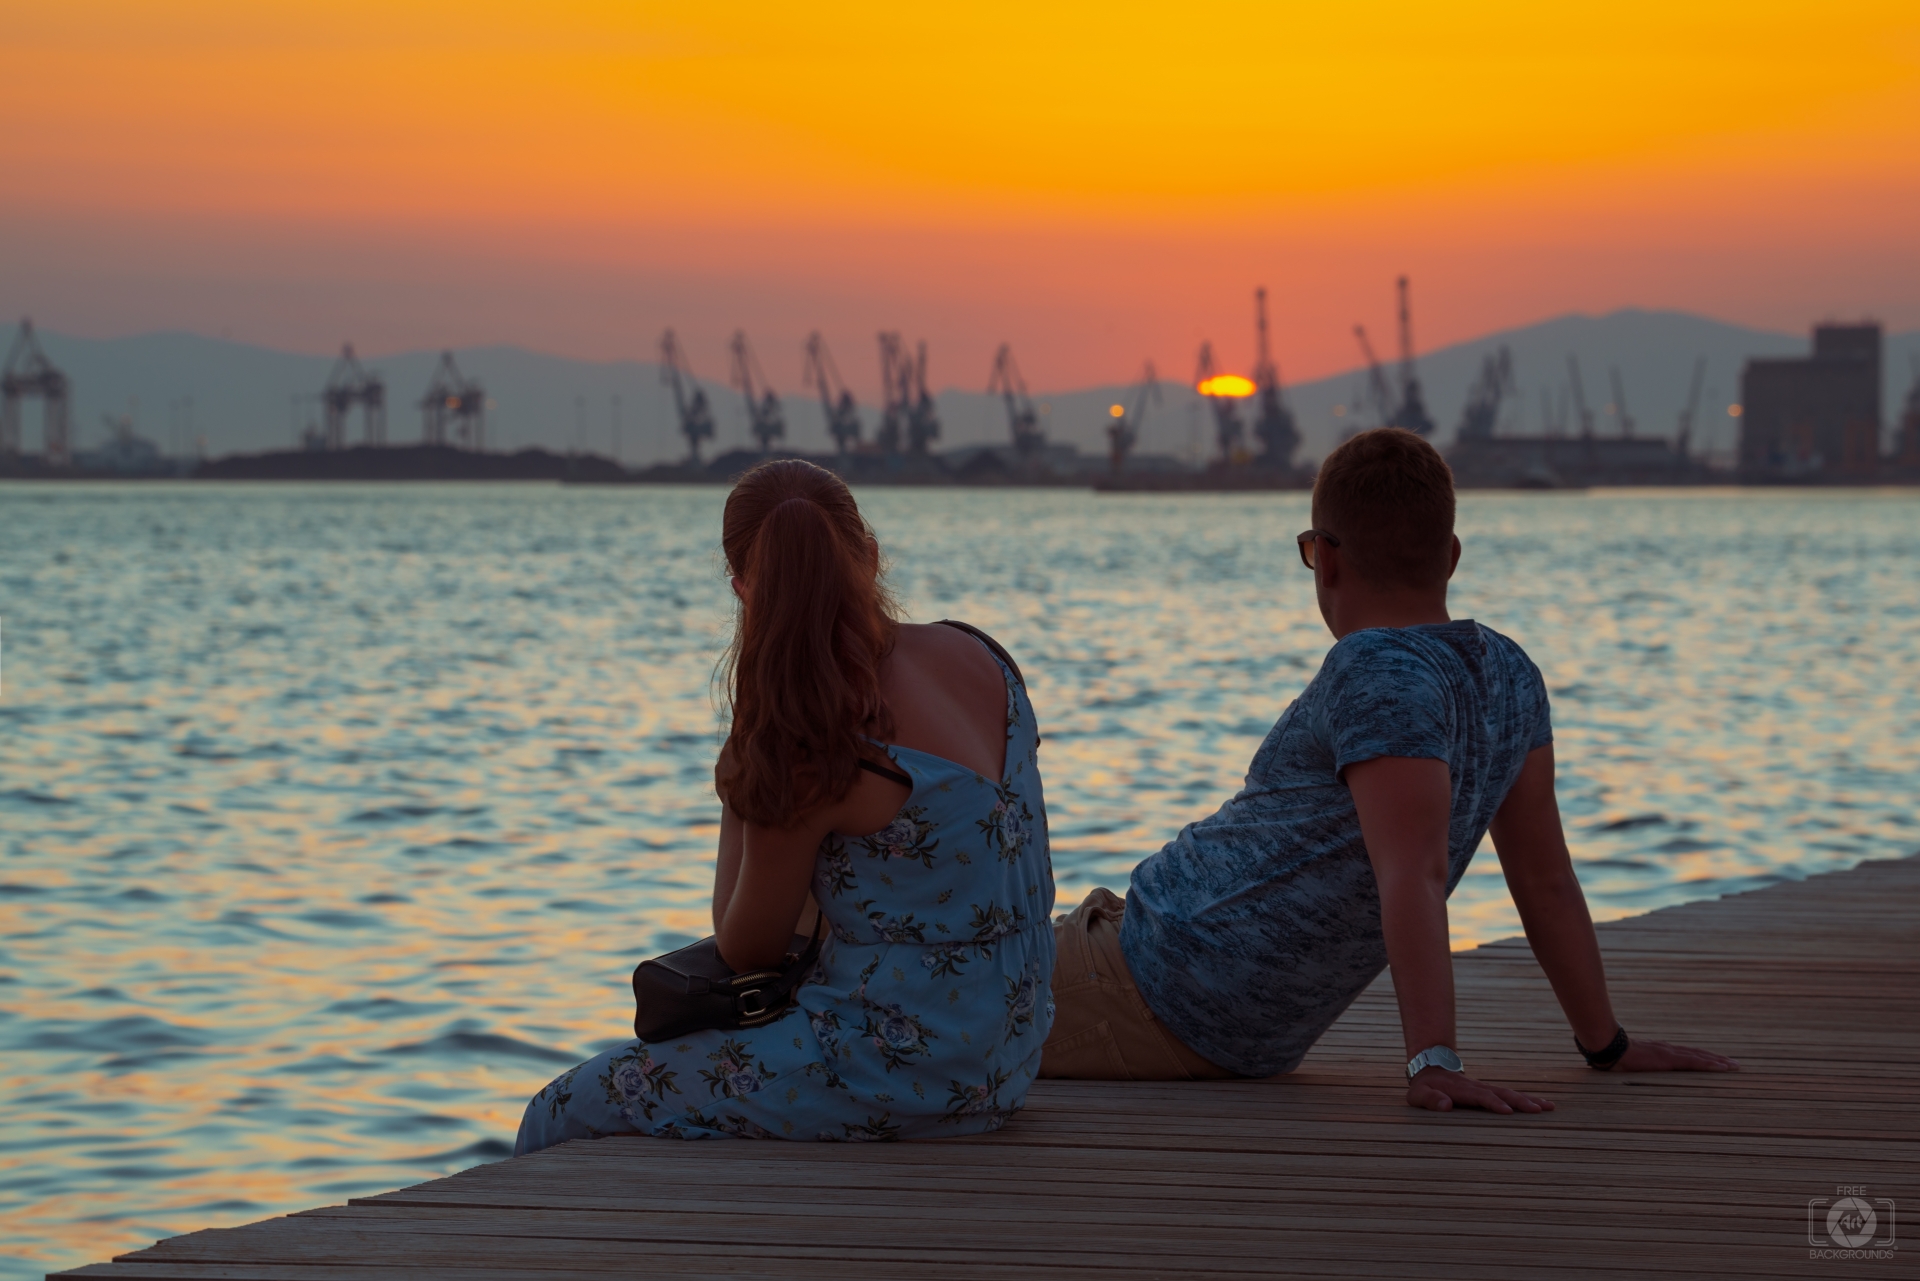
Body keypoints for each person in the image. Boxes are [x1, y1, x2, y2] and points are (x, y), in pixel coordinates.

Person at [1040, 428, 1736, 1111]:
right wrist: (1606, 1043)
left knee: (966, 985)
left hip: (1146, 979)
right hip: (1204, 1005)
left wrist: (1434, 1061)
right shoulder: (1511, 674)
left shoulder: (1373, 667)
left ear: (1325, 559)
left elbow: (1412, 872)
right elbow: (1544, 878)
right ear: (1451, 556)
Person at [515, 460, 1054, 1150]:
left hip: (899, 1072)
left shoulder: (808, 740)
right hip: (1007, 1057)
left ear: (742, 588)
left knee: (562, 1109)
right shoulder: (983, 656)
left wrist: (744, 781)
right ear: (870, 557)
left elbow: (746, 946)